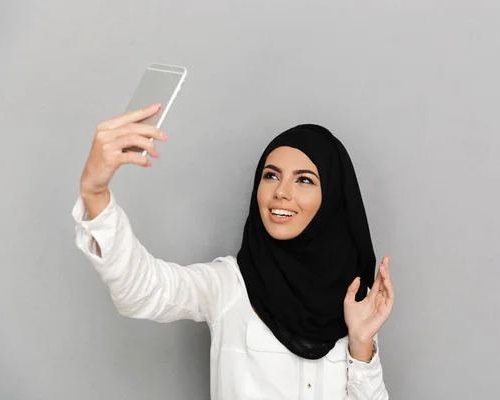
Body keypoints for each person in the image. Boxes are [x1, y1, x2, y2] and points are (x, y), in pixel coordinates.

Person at [73, 103, 394, 399]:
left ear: (333, 199)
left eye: (305, 180)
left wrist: (361, 344)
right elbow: (143, 290)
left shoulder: (354, 300)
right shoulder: (231, 284)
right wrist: (95, 193)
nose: (281, 192)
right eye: (271, 176)